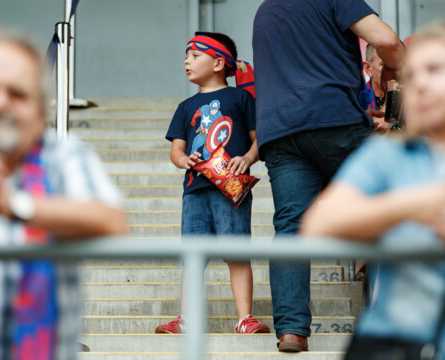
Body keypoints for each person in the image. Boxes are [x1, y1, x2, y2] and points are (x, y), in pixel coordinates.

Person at [0, 28, 127, 360]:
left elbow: (111, 220)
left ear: (40, 112)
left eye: (17, 94)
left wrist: (11, 203)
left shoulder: (63, 154)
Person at [252, 0, 404, 352]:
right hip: (332, 118)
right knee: (386, 212)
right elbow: (386, 40)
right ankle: (387, 321)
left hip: (279, 130)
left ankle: (291, 331)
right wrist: (401, 72)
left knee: (291, 227)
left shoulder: (266, 10)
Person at [301, 21, 445, 359]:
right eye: (413, 75)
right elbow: (318, 224)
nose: (420, 84)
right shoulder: (388, 154)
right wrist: (413, 205)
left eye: (435, 70)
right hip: (396, 340)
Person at [156, 32, 270, 335]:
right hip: (194, 190)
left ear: (218, 61)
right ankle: (186, 318)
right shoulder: (185, 106)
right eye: (186, 56)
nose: (186, 61)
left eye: (194, 55)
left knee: (236, 252)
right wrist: (183, 161)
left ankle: (245, 318)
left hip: (231, 189)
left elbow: (259, 142)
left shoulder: (242, 98)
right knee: (193, 256)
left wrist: (247, 158)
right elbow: (176, 149)